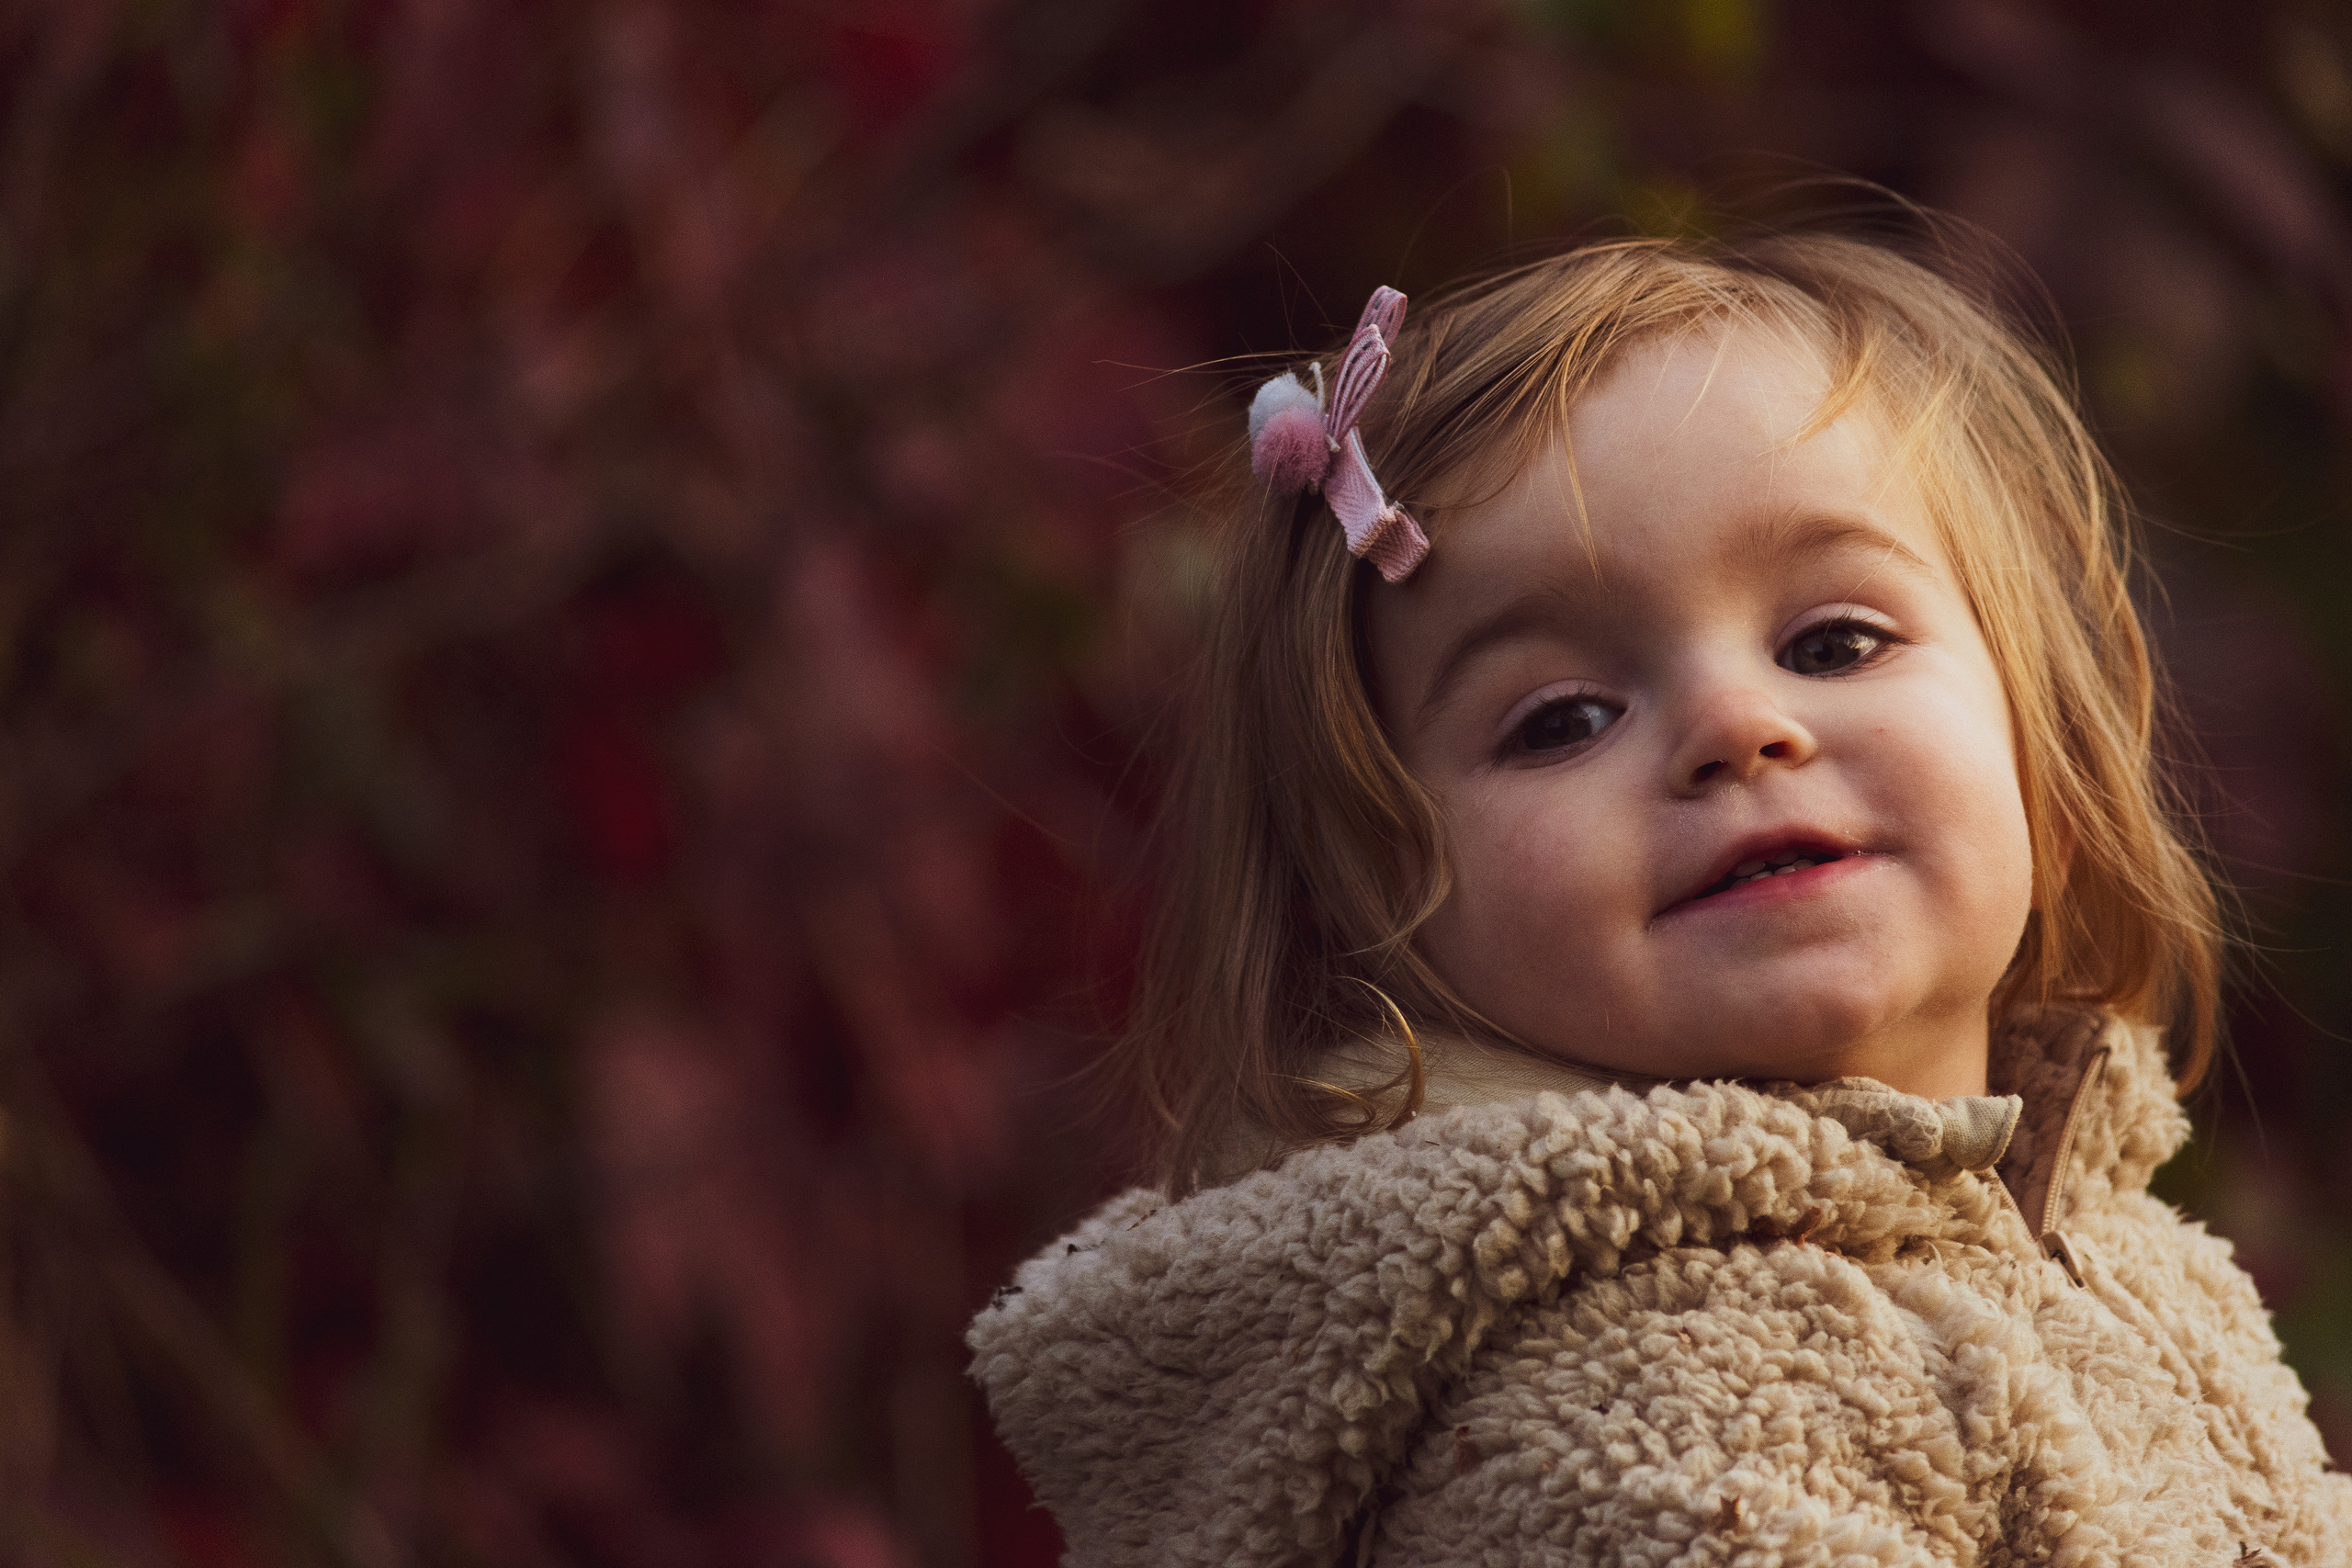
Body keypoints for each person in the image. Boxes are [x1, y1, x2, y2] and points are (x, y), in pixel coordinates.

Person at [967, 227, 2352, 1565]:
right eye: (1564, 721)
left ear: (2035, 723)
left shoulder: (2114, 1252)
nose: (1736, 726)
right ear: (1373, 894)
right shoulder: (1619, 1420)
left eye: (1834, 642)